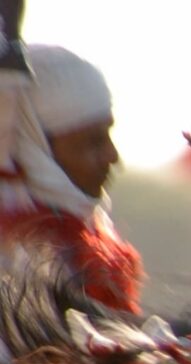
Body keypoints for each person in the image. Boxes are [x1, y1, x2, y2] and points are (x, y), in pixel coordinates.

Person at [0, 44, 141, 313]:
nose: (113, 157)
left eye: (109, 135)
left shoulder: (86, 239)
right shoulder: (13, 262)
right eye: (93, 142)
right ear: (33, 149)